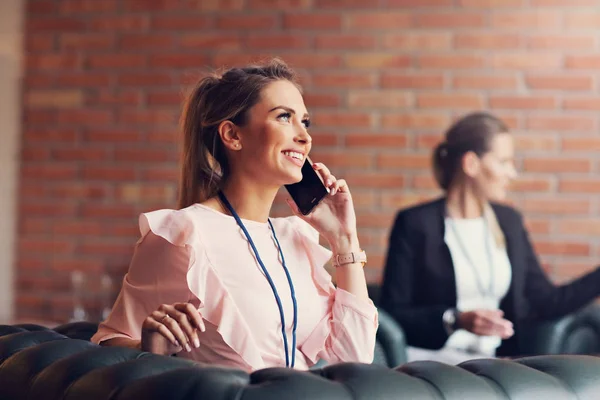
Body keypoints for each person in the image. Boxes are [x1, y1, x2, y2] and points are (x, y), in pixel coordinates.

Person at [91, 59, 377, 372]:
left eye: (305, 122)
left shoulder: (296, 237)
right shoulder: (183, 233)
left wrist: (344, 238)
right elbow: (110, 342)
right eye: (284, 117)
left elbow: (356, 356)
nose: (304, 137)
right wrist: (150, 347)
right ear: (232, 135)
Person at [379, 111, 600, 363]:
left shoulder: (509, 222)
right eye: (504, 162)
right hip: (430, 363)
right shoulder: (416, 223)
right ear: (471, 164)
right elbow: (394, 312)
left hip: (494, 366)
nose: (512, 173)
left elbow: (545, 300)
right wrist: (455, 319)